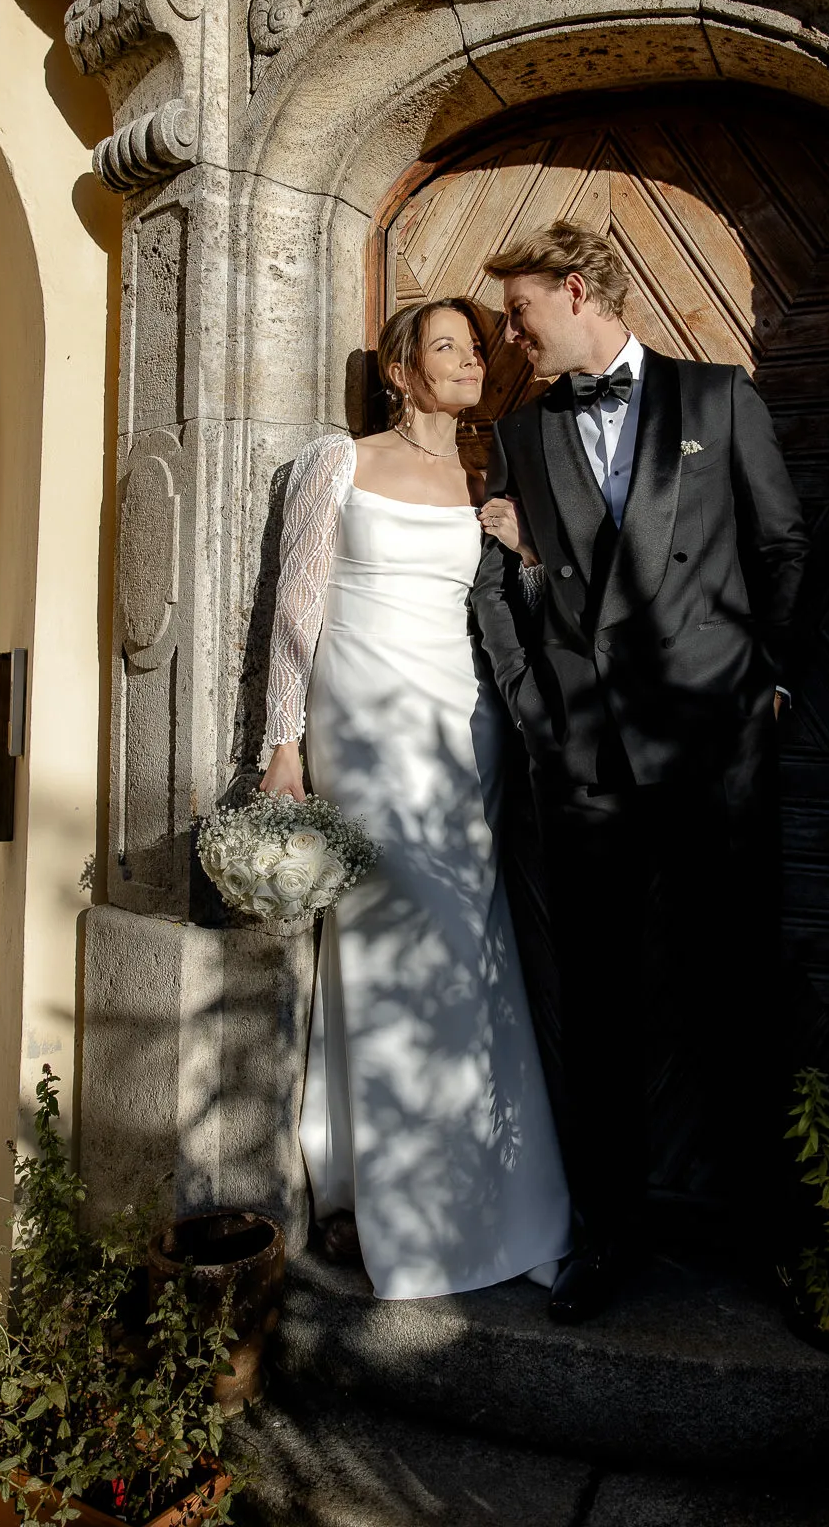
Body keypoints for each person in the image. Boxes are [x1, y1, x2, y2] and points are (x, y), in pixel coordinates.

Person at [471, 220, 808, 1324]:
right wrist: (533, 712)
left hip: (715, 753)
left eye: (520, 313)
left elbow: (782, 549)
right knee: (600, 1013)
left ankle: (781, 1246)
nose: (510, 338)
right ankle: (604, 1241)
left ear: (576, 291)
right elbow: (505, 587)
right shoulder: (521, 434)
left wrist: (768, 687)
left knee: (740, 1000)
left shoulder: (717, 401)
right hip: (583, 764)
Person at [259, 297, 569, 1300]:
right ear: (399, 370)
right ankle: (412, 1217)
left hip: (460, 732)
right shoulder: (338, 462)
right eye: (447, 346)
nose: (470, 359)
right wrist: (282, 746)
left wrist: (526, 548)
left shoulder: (488, 473)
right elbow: (296, 610)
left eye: (477, 346)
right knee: (394, 953)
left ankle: (490, 1196)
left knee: (468, 959)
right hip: (367, 734)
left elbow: (526, 612)